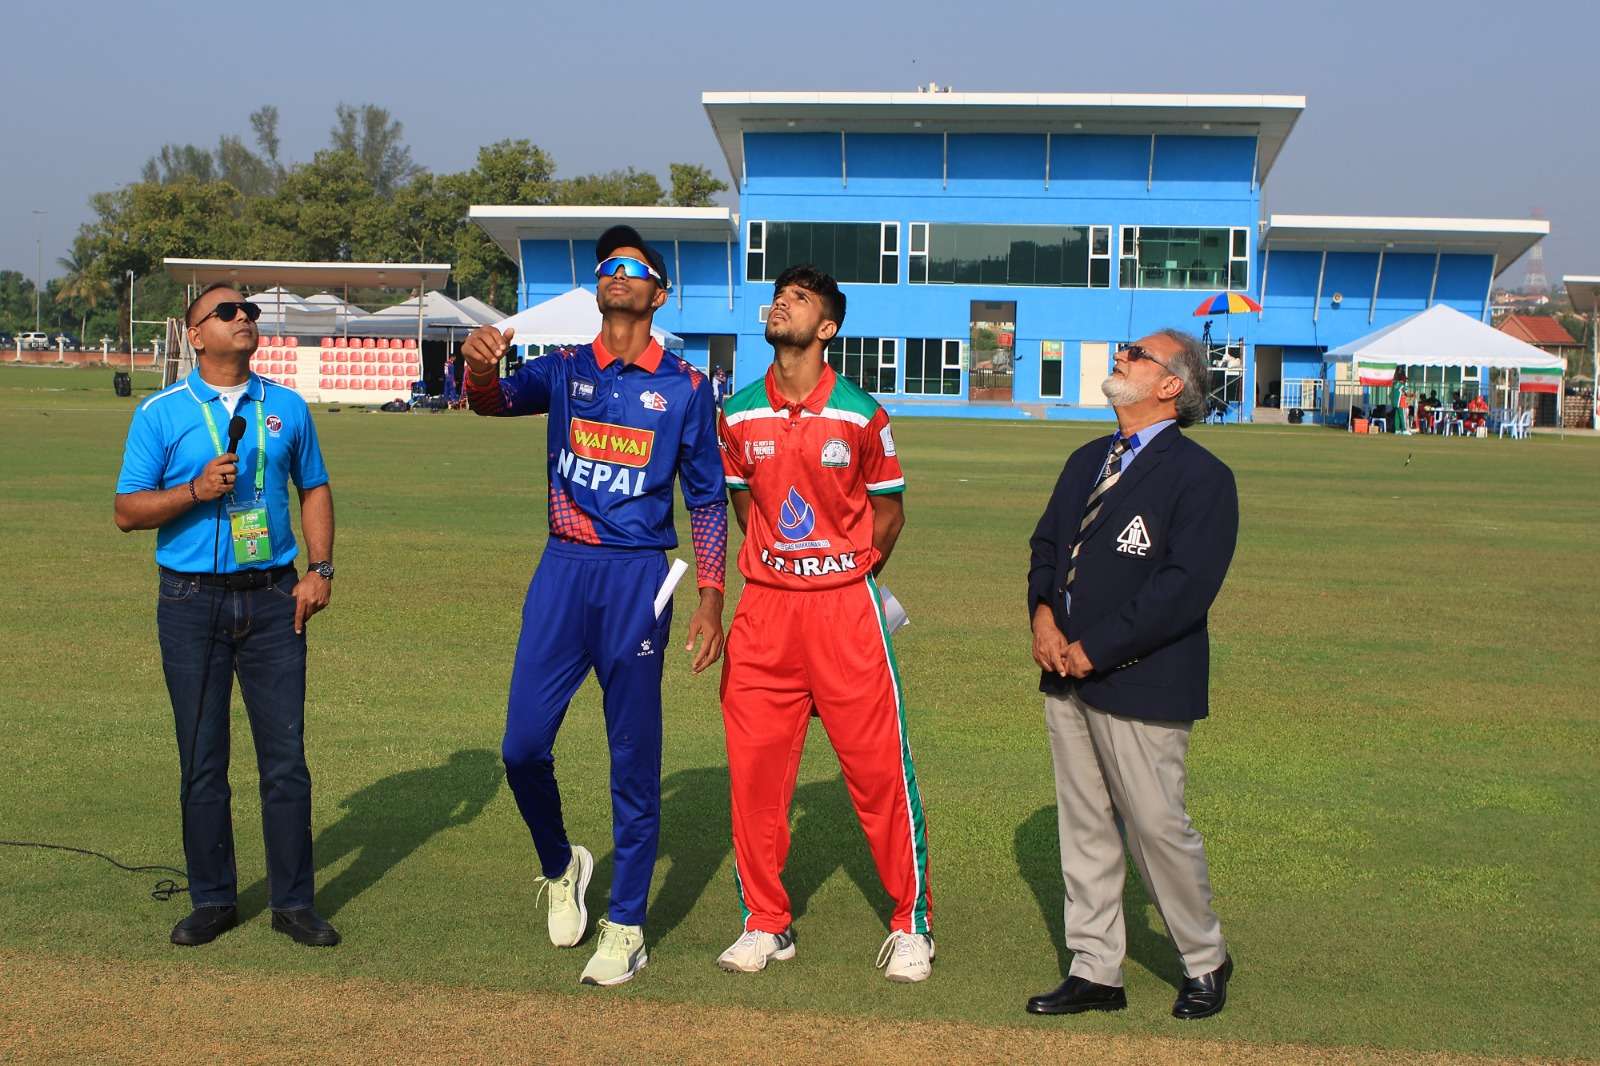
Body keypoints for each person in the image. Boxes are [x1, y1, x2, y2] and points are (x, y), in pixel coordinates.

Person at [459, 225, 727, 987]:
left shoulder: (684, 385)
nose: (616, 275)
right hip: (563, 568)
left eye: (633, 268)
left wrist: (711, 598)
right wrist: (478, 369)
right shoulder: (567, 367)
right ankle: (559, 865)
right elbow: (492, 400)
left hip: (638, 578)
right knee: (520, 747)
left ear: (658, 293)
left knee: (632, 761)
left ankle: (629, 923)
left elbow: (706, 500)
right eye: (607, 267)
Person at [714, 265, 935, 983]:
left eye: (800, 299)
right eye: (780, 295)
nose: (782, 303)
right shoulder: (740, 412)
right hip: (766, 613)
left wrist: (840, 572)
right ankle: (765, 923)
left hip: (846, 610)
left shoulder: (861, 414)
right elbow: (747, 507)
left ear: (828, 326)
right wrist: (786, 566)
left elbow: (890, 514)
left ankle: (911, 925)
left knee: (878, 775)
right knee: (754, 776)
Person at [113, 283, 339, 949]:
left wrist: (319, 570)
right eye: (228, 312)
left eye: (250, 312)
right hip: (190, 601)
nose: (245, 319)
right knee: (203, 758)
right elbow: (128, 511)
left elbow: (315, 487)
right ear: (195, 335)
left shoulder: (287, 407)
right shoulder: (161, 413)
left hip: (273, 597)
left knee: (285, 760)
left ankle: (294, 903)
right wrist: (192, 491)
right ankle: (212, 898)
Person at [1024, 329, 1239, 1020]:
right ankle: (1096, 968)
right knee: (1084, 826)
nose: (1119, 359)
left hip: (1143, 680)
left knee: (1156, 827)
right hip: (1067, 674)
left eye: (1135, 355)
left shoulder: (1203, 477)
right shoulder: (1088, 457)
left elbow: (1184, 587)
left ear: (1171, 385)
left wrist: (1097, 647)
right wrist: (1043, 618)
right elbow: (1048, 545)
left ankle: (1203, 959)